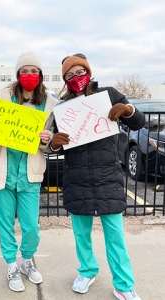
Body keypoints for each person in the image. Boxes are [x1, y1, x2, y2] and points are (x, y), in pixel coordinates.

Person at [50, 53, 145, 300]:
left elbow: (139, 121)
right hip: (77, 178)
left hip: (108, 177)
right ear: (64, 80)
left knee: (115, 235)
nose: (75, 78)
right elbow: (53, 142)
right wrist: (54, 143)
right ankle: (87, 271)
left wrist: (127, 109)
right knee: (81, 234)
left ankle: (124, 284)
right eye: (69, 76)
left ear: (88, 72)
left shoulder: (109, 95)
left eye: (80, 73)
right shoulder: (61, 108)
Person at [0, 51, 57, 292]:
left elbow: (50, 143)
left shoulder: (50, 103)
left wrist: (47, 139)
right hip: (2, 172)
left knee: (31, 227)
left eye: (34, 71)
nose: (29, 75)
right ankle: (11, 265)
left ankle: (27, 260)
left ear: (40, 74)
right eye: (24, 71)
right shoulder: (3, 95)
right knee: (4, 224)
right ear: (17, 74)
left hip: (30, 173)